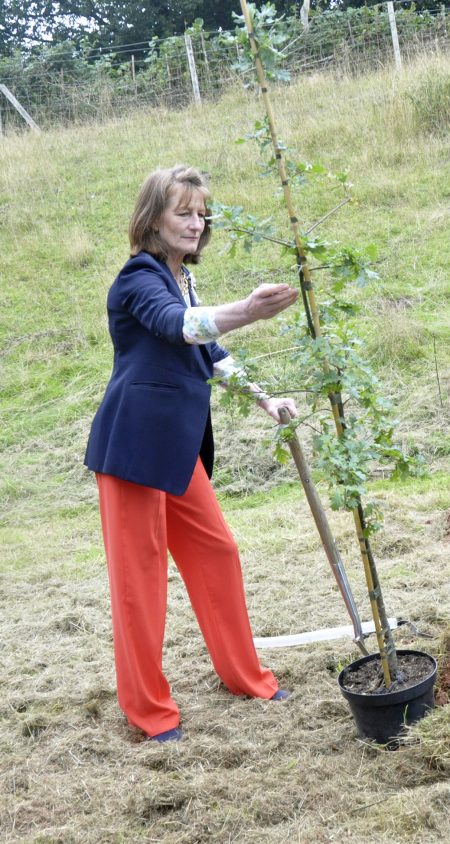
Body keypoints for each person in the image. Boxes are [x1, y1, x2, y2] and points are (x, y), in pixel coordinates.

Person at [84, 165, 299, 742]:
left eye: (202, 213)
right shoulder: (139, 278)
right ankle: (150, 713)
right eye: (183, 211)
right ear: (153, 219)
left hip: (177, 452)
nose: (196, 222)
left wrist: (263, 399)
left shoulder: (181, 278)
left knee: (218, 552)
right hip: (132, 451)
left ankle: (244, 676)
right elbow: (177, 327)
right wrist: (250, 309)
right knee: (141, 580)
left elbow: (208, 350)